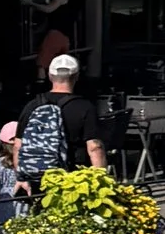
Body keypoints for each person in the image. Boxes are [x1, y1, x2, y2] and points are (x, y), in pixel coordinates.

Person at [13, 52, 107, 196]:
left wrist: (21, 177)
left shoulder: (32, 105)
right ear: (76, 77)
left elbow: (18, 146)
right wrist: (101, 182)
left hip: (37, 181)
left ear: (50, 76)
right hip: (73, 179)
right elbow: (95, 147)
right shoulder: (85, 107)